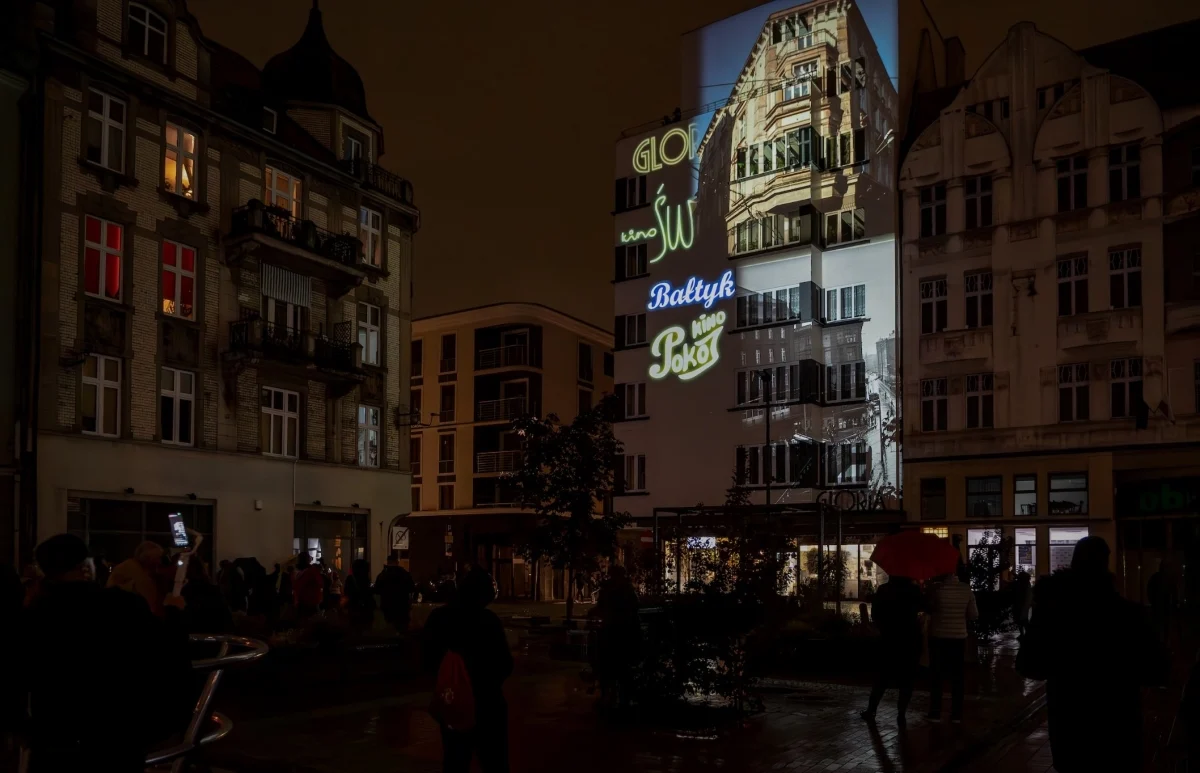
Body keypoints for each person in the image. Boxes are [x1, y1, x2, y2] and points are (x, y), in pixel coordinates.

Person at [12, 534, 193, 771]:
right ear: (85, 567)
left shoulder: (33, 615)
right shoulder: (122, 605)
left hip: (53, 738)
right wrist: (174, 611)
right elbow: (167, 650)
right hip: (115, 737)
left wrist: (25, 729)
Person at [1017, 537, 1167, 772]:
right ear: (1106, 565)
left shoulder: (1053, 614)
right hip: (1119, 729)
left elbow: (1028, 665)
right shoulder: (1129, 614)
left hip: (1070, 729)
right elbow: (1157, 670)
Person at [423, 567, 512, 773]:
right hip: (488, 702)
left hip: (453, 701)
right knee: (494, 761)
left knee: (455, 760)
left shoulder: (439, 617)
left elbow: (428, 660)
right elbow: (505, 663)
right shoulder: (488, 620)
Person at [861, 575, 923, 727]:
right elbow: (926, 607)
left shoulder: (884, 590)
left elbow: (875, 615)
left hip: (888, 639)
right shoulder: (914, 590)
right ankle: (901, 713)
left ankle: (872, 710)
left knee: (882, 677)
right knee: (907, 679)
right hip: (909, 639)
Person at [926, 571, 978, 722]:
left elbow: (930, 609)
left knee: (937, 675)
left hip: (938, 637)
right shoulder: (966, 589)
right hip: (958, 638)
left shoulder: (937, 590)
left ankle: (935, 712)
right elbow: (974, 614)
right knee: (958, 677)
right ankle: (956, 714)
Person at [593, 565, 642, 713]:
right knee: (621, 668)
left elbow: (602, 607)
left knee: (611, 666)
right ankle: (621, 698)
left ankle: (611, 696)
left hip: (614, 632)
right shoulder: (626, 590)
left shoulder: (612, 590)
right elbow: (634, 608)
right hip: (622, 632)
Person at [107, 540, 166, 616]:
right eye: (158, 558)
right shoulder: (131, 570)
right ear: (148, 558)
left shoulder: (138, 568)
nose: (160, 562)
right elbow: (147, 598)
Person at [181, 558, 233, 634]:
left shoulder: (184, 591)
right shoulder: (213, 589)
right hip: (214, 635)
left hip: (193, 636)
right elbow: (226, 619)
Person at [375, 560, 415, 633]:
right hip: (402, 604)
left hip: (387, 603)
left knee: (389, 626)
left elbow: (377, 590)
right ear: (397, 563)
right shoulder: (404, 573)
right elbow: (411, 588)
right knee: (402, 627)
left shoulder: (383, 574)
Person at [1147, 560, 1177, 645]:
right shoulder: (1168, 579)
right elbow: (1174, 593)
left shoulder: (1155, 578)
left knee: (1159, 626)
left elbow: (1149, 590)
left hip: (1158, 606)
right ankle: (1163, 643)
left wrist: (1152, 601)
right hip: (1163, 607)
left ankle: (1159, 644)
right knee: (1163, 627)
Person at [343, 559, 376, 628]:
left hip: (354, 609)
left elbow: (347, 592)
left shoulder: (351, 579)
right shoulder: (366, 580)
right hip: (366, 609)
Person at [293, 552, 324, 619]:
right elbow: (320, 583)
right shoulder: (312, 571)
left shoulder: (297, 573)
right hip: (312, 602)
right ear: (308, 559)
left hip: (301, 602)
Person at [1012, 571, 1033, 638]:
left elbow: (1020, 594)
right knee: (1023, 619)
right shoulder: (1026, 583)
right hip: (1023, 604)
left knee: (1021, 619)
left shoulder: (1021, 584)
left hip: (1020, 604)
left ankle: (1024, 633)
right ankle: (1026, 633)